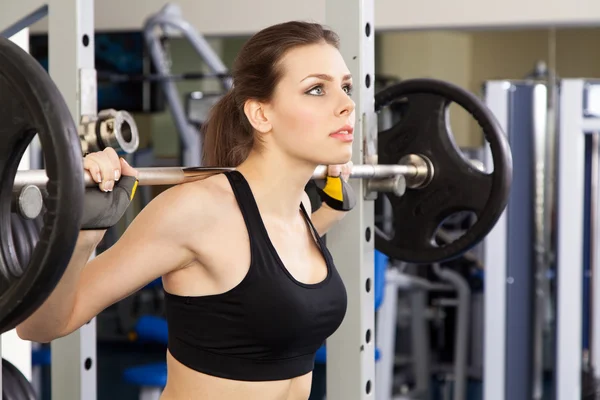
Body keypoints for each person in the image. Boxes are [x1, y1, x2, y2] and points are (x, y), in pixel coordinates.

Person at [17, 20, 356, 400]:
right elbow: (38, 327)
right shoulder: (196, 211)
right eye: (316, 89)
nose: (347, 105)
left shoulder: (301, 207)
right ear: (261, 115)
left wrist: (335, 206)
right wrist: (82, 233)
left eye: (345, 87)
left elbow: (268, 268)